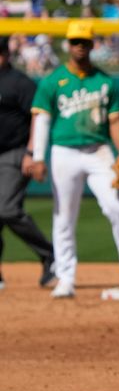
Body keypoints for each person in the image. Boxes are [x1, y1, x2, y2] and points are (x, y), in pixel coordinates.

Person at [28, 21, 119, 298]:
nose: (79, 47)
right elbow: (42, 120)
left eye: (83, 42)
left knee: (116, 208)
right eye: (74, 42)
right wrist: (37, 156)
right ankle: (65, 277)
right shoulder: (53, 81)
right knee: (64, 216)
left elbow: (116, 121)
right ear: (67, 45)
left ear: (93, 45)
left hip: (98, 151)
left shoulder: (105, 82)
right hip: (64, 152)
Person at [0, 36, 55, 291]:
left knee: (7, 209)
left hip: (14, 153)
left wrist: (32, 152)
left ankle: (51, 255)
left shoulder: (19, 83)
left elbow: (39, 117)